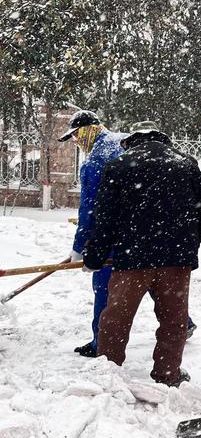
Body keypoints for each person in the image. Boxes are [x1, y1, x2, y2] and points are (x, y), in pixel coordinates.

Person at [82, 121, 201, 386]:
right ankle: (168, 374)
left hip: (132, 258)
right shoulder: (185, 163)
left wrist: (95, 256)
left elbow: (104, 217)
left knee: (116, 316)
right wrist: (188, 245)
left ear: (132, 140)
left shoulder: (120, 165)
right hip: (176, 260)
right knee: (173, 319)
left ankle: (108, 371)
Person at [58, 110, 124, 358]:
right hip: (140, 232)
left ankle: (100, 344)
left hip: (111, 236)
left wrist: (79, 247)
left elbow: (89, 210)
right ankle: (185, 323)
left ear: (87, 130)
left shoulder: (96, 160)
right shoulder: (123, 142)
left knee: (104, 286)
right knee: (145, 277)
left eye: (76, 135)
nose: (76, 141)